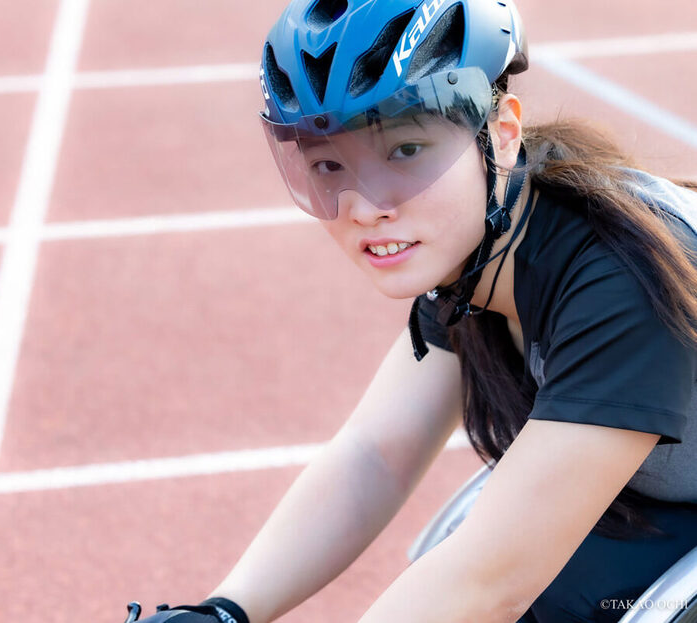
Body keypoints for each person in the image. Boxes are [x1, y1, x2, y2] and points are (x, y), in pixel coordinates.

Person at [126, 0, 697, 621]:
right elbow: (376, 453)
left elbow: (488, 580)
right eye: (327, 165)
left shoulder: (621, 275)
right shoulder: (477, 240)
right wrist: (223, 611)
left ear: (501, 132)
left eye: (404, 151)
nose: (368, 206)